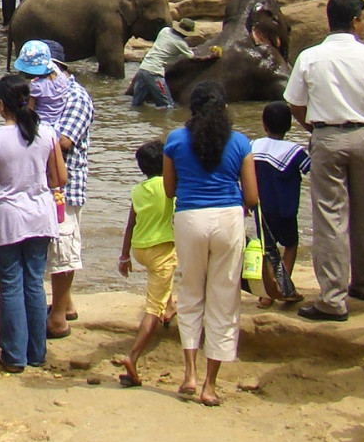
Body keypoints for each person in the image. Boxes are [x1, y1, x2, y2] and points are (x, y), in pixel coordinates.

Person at [284, 0, 364, 322]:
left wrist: (315, 128)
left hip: (327, 136)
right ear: (355, 21)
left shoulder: (310, 57)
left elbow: (294, 102)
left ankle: (332, 297)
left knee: (330, 218)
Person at [163, 82, 257, 407]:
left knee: (190, 292)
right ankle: (210, 385)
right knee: (224, 298)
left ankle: (188, 372)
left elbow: (169, 190)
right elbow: (253, 197)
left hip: (190, 216)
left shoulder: (175, 140)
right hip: (228, 217)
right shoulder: (241, 142)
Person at [0, 75, 63, 372]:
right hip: (40, 216)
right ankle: (36, 352)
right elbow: (60, 179)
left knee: (11, 285)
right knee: (35, 284)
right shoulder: (47, 134)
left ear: (1, 106)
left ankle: (14, 354)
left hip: (7, 218)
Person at [13, 40, 92, 334]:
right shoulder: (40, 95)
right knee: (49, 245)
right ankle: (65, 303)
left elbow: (63, 142)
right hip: (38, 182)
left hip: (65, 185)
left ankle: (58, 316)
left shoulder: (76, 98)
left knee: (62, 246)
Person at [117, 139, 174, 387]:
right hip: (161, 249)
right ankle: (133, 357)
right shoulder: (169, 186)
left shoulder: (138, 190)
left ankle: (169, 307)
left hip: (140, 249)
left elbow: (131, 223)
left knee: (162, 282)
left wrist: (124, 256)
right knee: (152, 308)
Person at [250, 101, 308, 307]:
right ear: (290, 126)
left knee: (268, 249)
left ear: (264, 125)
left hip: (260, 208)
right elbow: (311, 168)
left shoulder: (253, 146)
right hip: (286, 208)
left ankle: (267, 295)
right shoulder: (295, 150)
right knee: (290, 245)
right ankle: (283, 288)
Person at [131, 18, 196, 110]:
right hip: (154, 72)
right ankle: (163, 122)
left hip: (143, 68)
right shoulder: (180, 43)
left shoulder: (164, 30)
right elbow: (192, 56)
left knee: (136, 103)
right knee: (168, 105)